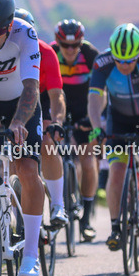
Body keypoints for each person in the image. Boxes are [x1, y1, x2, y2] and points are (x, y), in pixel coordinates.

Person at [88, 23, 139, 250]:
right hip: (119, 117)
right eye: (119, 60)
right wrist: (96, 127)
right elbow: (95, 99)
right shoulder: (102, 63)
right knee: (116, 171)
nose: (124, 65)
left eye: (129, 61)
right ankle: (115, 227)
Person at [0, 0, 44, 276]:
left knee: (28, 168)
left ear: (10, 25)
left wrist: (20, 122)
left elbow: (32, 87)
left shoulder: (25, 32)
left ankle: (31, 255)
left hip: (21, 102)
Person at [15, 9, 69, 228]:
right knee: (10, 148)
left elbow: (56, 95)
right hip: (15, 98)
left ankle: (58, 205)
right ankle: (10, 210)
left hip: (43, 97)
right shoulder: (1, 50)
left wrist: (56, 121)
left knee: (47, 142)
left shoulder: (46, 53)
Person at [54, 18, 101, 240]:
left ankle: (86, 219)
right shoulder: (51, 53)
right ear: (58, 43)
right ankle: (57, 206)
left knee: (88, 160)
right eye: (66, 45)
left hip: (86, 108)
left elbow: (103, 89)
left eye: (75, 45)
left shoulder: (91, 55)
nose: (71, 50)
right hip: (60, 105)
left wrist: (95, 118)